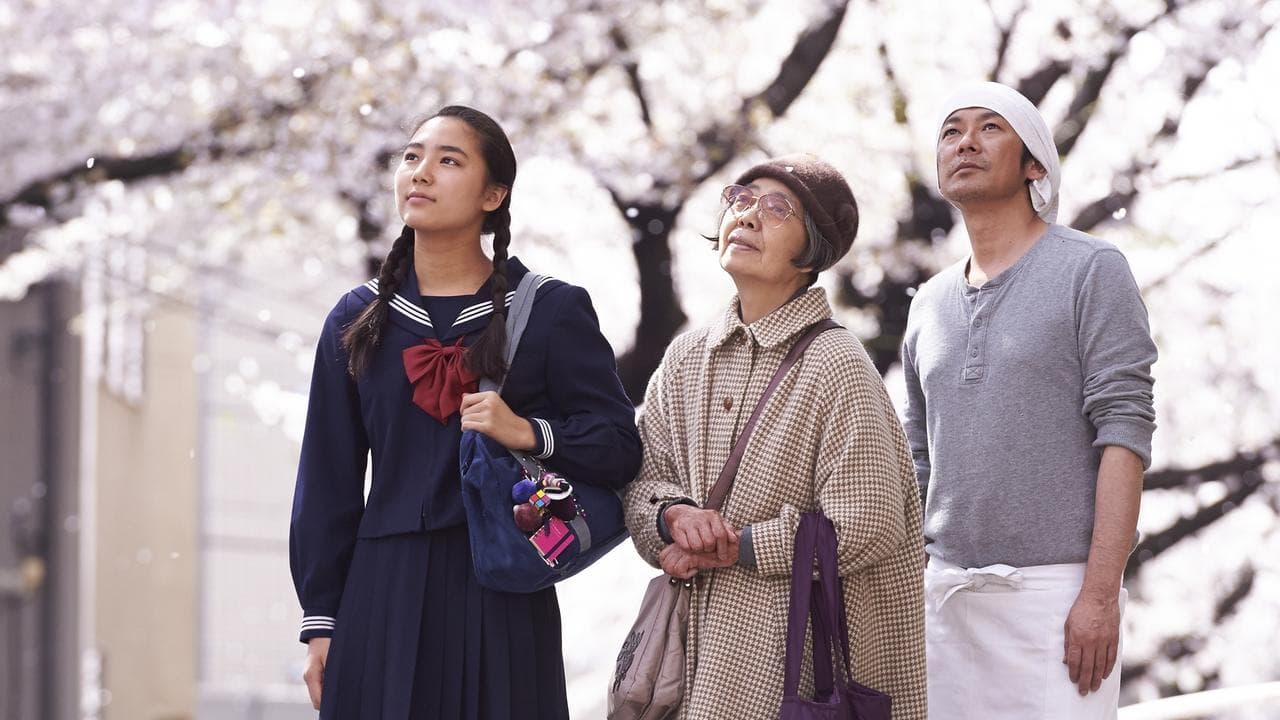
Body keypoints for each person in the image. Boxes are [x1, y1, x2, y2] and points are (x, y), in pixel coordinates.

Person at [289, 105, 641, 719]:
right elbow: (327, 479)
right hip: (380, 590)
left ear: (493, 194)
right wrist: (322, 621)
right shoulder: (357, 318)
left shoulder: (552, 310)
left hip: (502, 584)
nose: (420, 173)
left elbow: (619, 444)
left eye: (449, 161)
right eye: (412, 157)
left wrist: (528, 432)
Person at [622, 154, 927, 719]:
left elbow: (870, 520)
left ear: (812, 248)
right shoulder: (687, 354)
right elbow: (644, 476)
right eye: (740, 199)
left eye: (776, 208)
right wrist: (673, 518)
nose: (747, 215)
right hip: (687, 663)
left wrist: (740, 544)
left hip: (792, 668)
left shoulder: (838, 362)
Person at [902, 81, 1158, 719]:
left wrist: (1101, 595)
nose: (965, 141)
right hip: (944, 602)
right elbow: (918, 459)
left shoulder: (1091, 269)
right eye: (951, 130)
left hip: (1060, 599)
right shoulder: (928, 303)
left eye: (990, 128)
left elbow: (1125, 432)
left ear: (1034, 164)